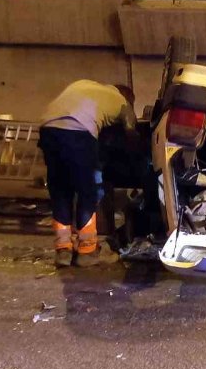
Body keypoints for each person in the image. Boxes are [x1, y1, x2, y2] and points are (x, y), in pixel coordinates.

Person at [38, 80, 138, 267]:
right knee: (87, 191)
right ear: (128, 98)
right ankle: (87, 251)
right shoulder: (122, 102)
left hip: (48, 128)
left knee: (61, 190)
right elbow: (131, 133)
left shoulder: (83, 84)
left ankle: (63, 251)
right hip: (78, 133)